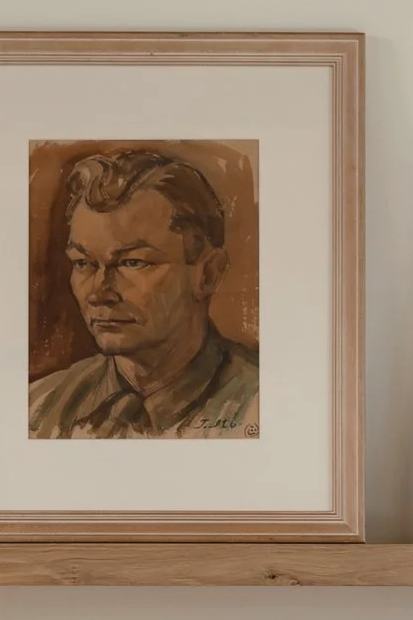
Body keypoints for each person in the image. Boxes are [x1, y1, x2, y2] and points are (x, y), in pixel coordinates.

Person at [28, 145, 260, 439]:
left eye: (132, 262)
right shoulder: (37, 408)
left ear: (208, 274)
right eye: (83, 263)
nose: (98, 293)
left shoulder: (265, 402)